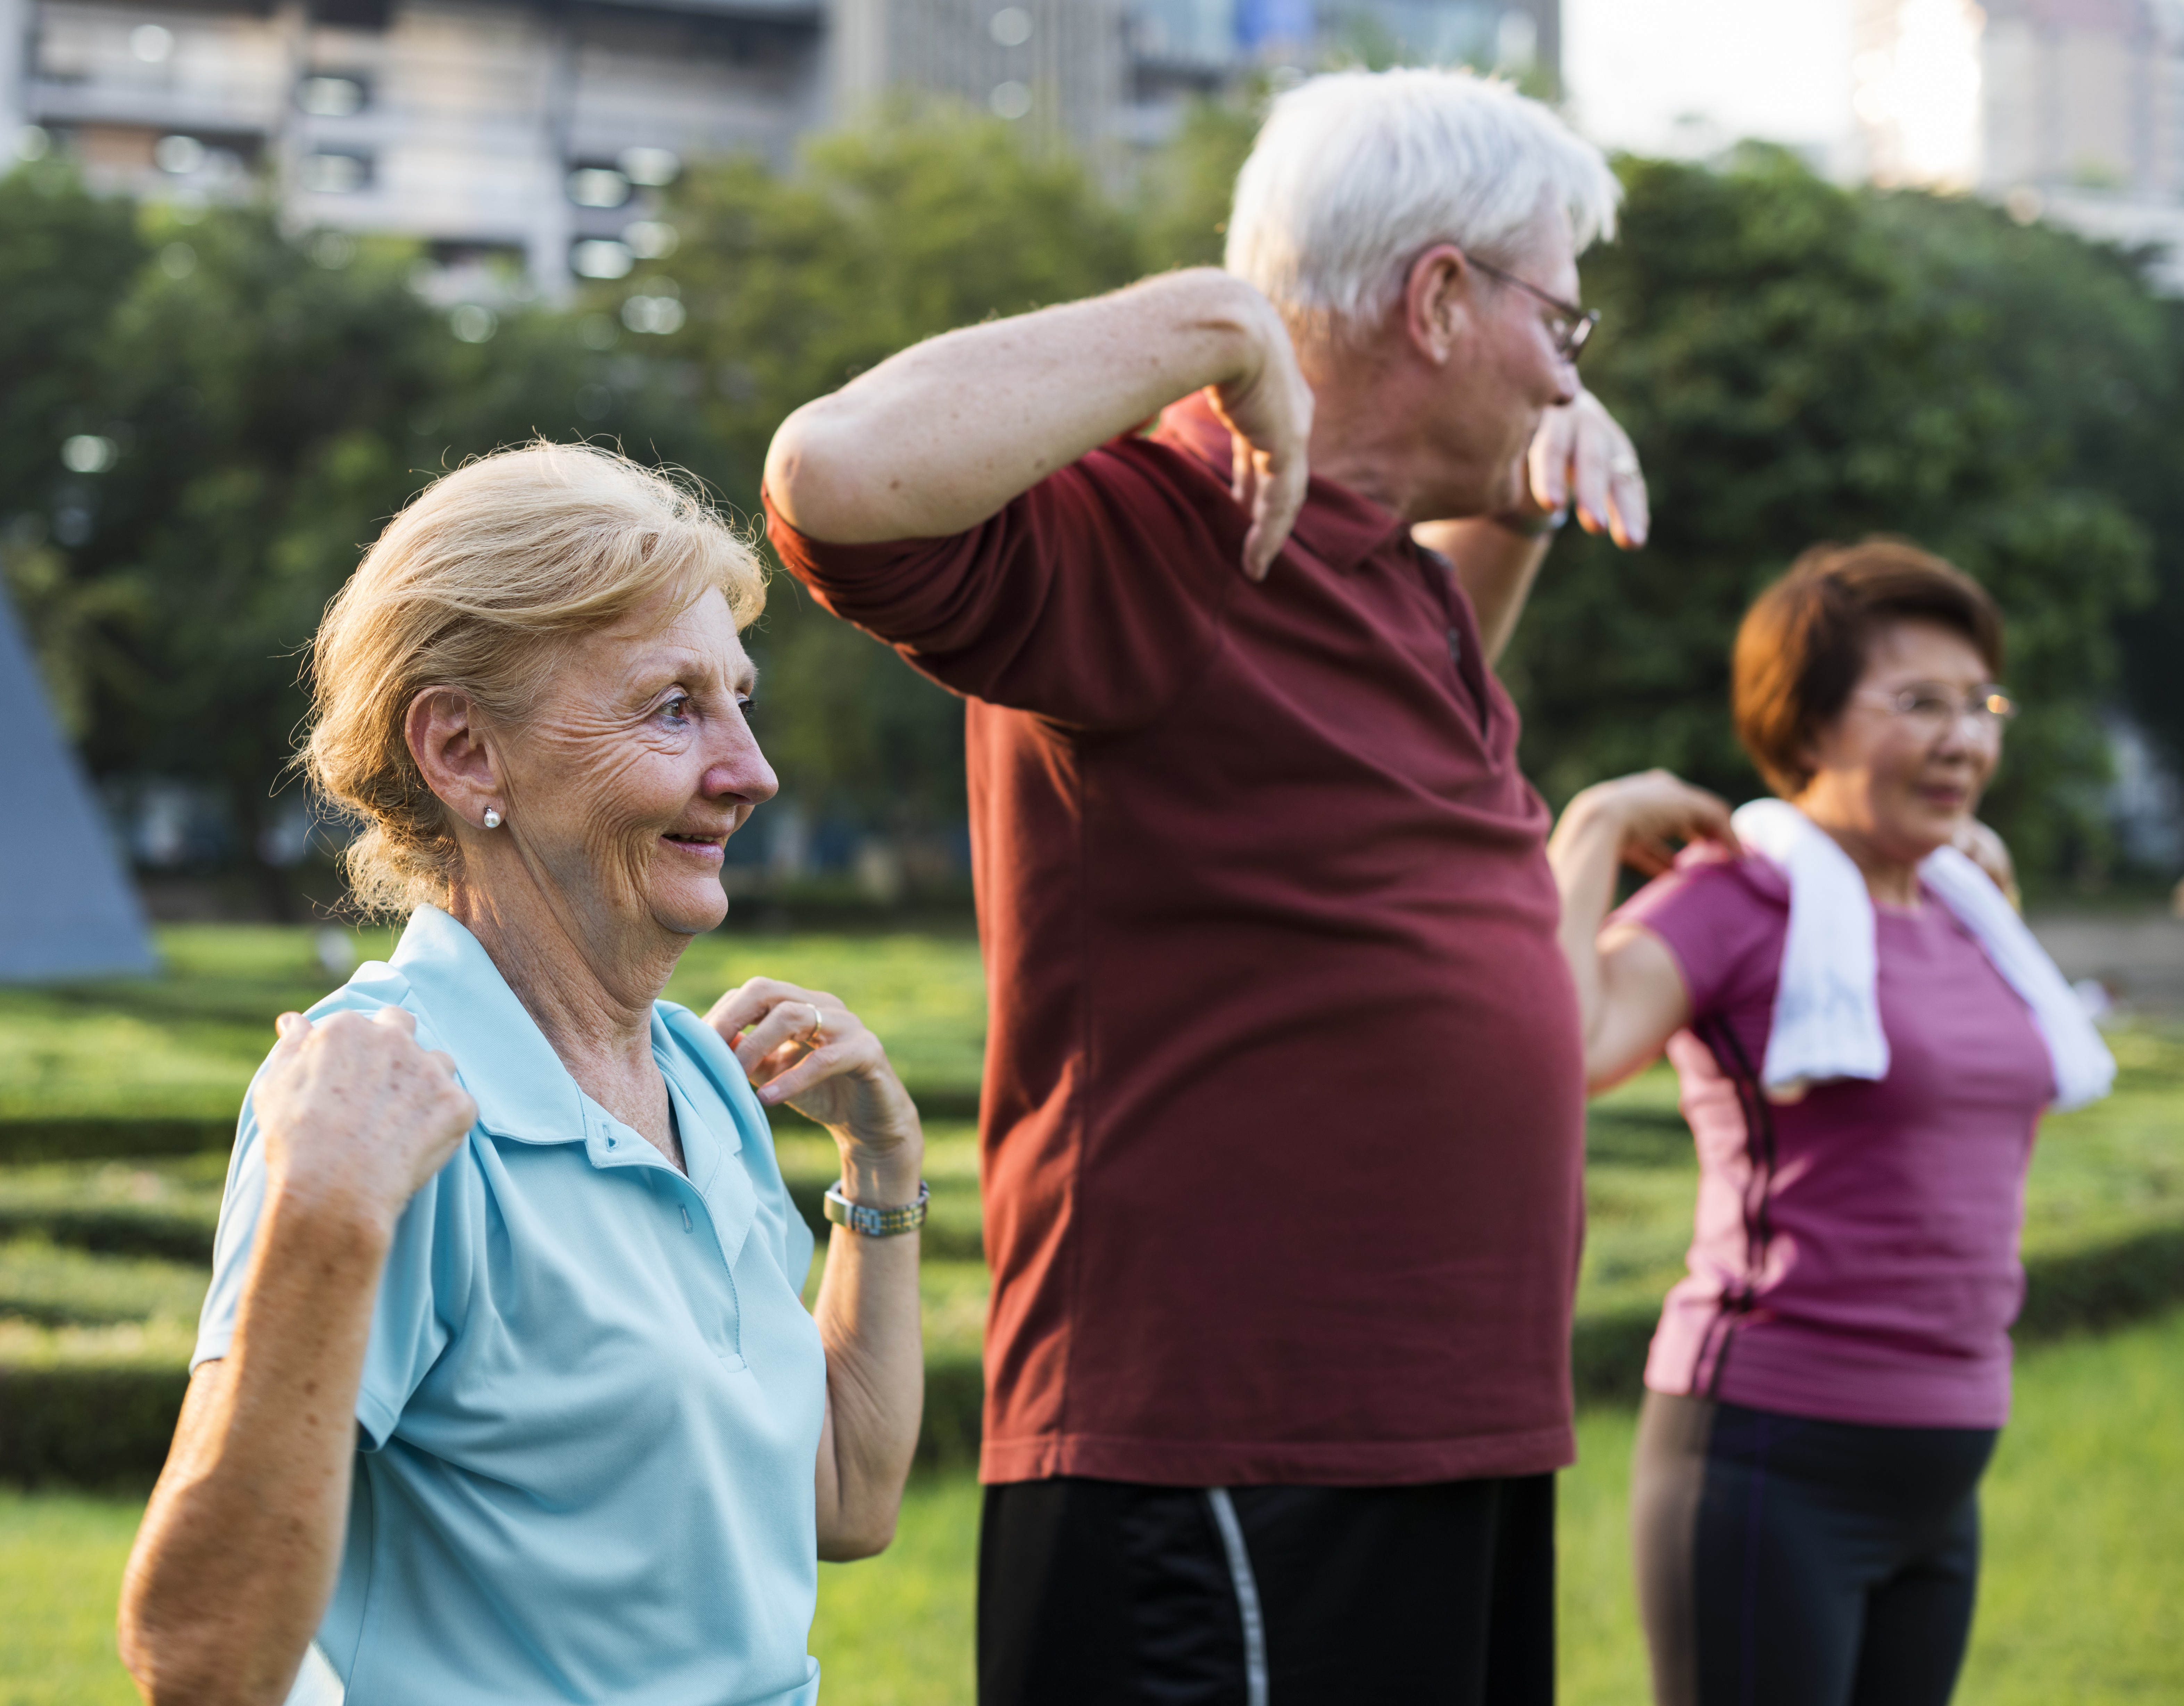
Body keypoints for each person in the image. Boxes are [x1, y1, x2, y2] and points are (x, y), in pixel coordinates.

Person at [763, 69, 1648, 1703]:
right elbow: (833, 478)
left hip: (1429, 1435)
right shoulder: (1168, 521)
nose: (1566, 371)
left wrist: (1519, 492)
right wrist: (1218, 322)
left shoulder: (1384, 569)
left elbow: (1335, 796)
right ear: (1440, 298)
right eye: (1560, 326)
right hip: (1221, 1455)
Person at [116, 444, 928, 1706]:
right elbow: (201, 1659)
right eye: (673, 707)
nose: (751, 771)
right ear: (463, 753)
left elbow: (843, 1500)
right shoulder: (385, 1099)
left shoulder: (701, 1083)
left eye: (740, 701)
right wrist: (323, 1220)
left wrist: (882, 1180)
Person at [1546, 540, 2114, 1706]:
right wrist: (1596, 830)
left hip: (1947, 1453)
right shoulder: (1735, 898)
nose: (1965, 739)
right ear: (1805, 729)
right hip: (1768, 1450)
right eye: (1918, 704)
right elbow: (1565, 1050)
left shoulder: (1969, 904)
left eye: (1979, 705)